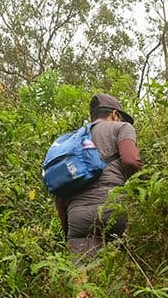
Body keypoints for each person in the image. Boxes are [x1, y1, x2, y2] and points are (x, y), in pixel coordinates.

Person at [55, 93, 142, 257]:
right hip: (114, 209)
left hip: (77, 216)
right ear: (115, 115)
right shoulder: (121, 127)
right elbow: (131, 161)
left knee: (82, 279)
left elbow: (60, 192)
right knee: (122, 274)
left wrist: (71, 231)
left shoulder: (72, 140)